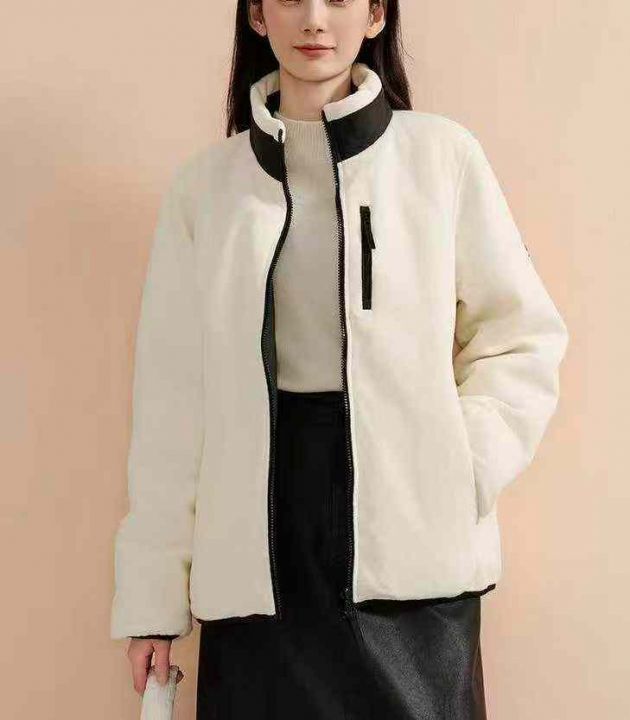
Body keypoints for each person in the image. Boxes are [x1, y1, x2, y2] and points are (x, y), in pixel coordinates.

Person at [110, 1, 569, 718]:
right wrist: (153, 602)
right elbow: (172, 407)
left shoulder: (441, 159)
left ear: (377, 14)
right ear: (257, 16)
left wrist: (457, 466)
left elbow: (521, 338)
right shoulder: (205, 191)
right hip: (258, 547)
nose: (315, 20)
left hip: (412, 547)